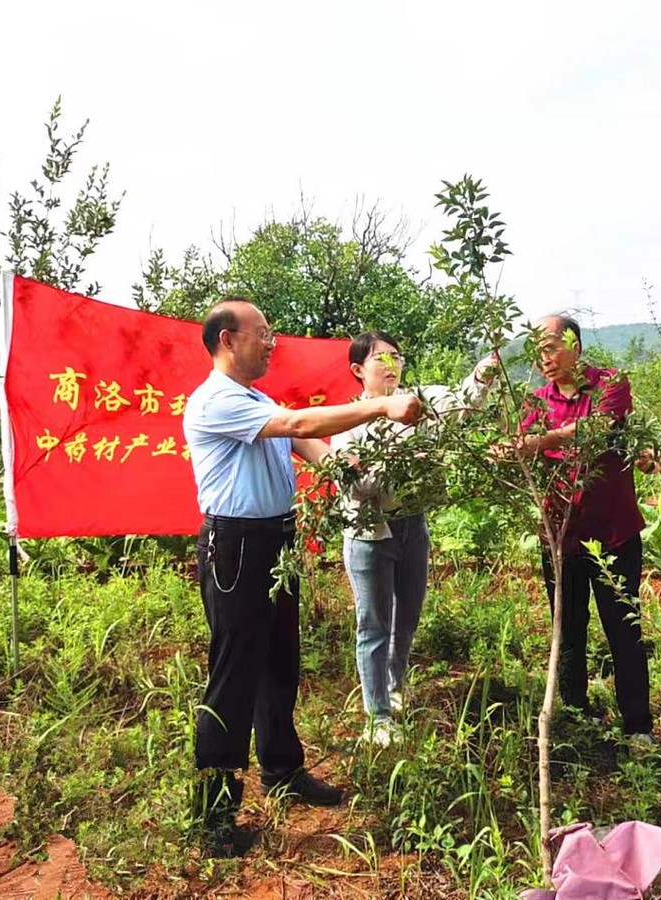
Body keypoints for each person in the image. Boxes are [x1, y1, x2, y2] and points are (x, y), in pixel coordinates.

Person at [182, 298, 422, 857]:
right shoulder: (216, 400)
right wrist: (380, 407)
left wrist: (351, 467)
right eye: (261, 334)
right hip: (237, 547)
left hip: (274, 540)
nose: (271, 342)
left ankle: (283, 771)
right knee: (235, 672)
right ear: (226, 340)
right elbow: (295, 422)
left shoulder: (254, 396)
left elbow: (305, 442)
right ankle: (215, 813)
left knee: (280, 661)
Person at [330, 332, 497, 747]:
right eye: (381, 358)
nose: (391, 365)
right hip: (369, 531)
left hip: (412, 525)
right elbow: (355, 485)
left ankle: (395, 685)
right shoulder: (346, 423)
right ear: (358, 370)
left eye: (396, 357)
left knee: (407, 617)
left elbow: (461, 402)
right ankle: (378, 716)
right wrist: (402, 463)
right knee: (373, 625)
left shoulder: (418, 403)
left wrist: (482, 374)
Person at [519, 315, 653, 739]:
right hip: (560, 536)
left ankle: (638, 728)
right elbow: (523, 452)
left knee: (623, 628)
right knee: (567, 628)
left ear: (574, 344)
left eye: (551, 347)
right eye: (538, 351)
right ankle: (578, 718)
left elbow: (598, 428)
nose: (544, 359)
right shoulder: (536, 402)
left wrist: (542, 441)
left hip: (613, 533)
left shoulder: (612, 383)